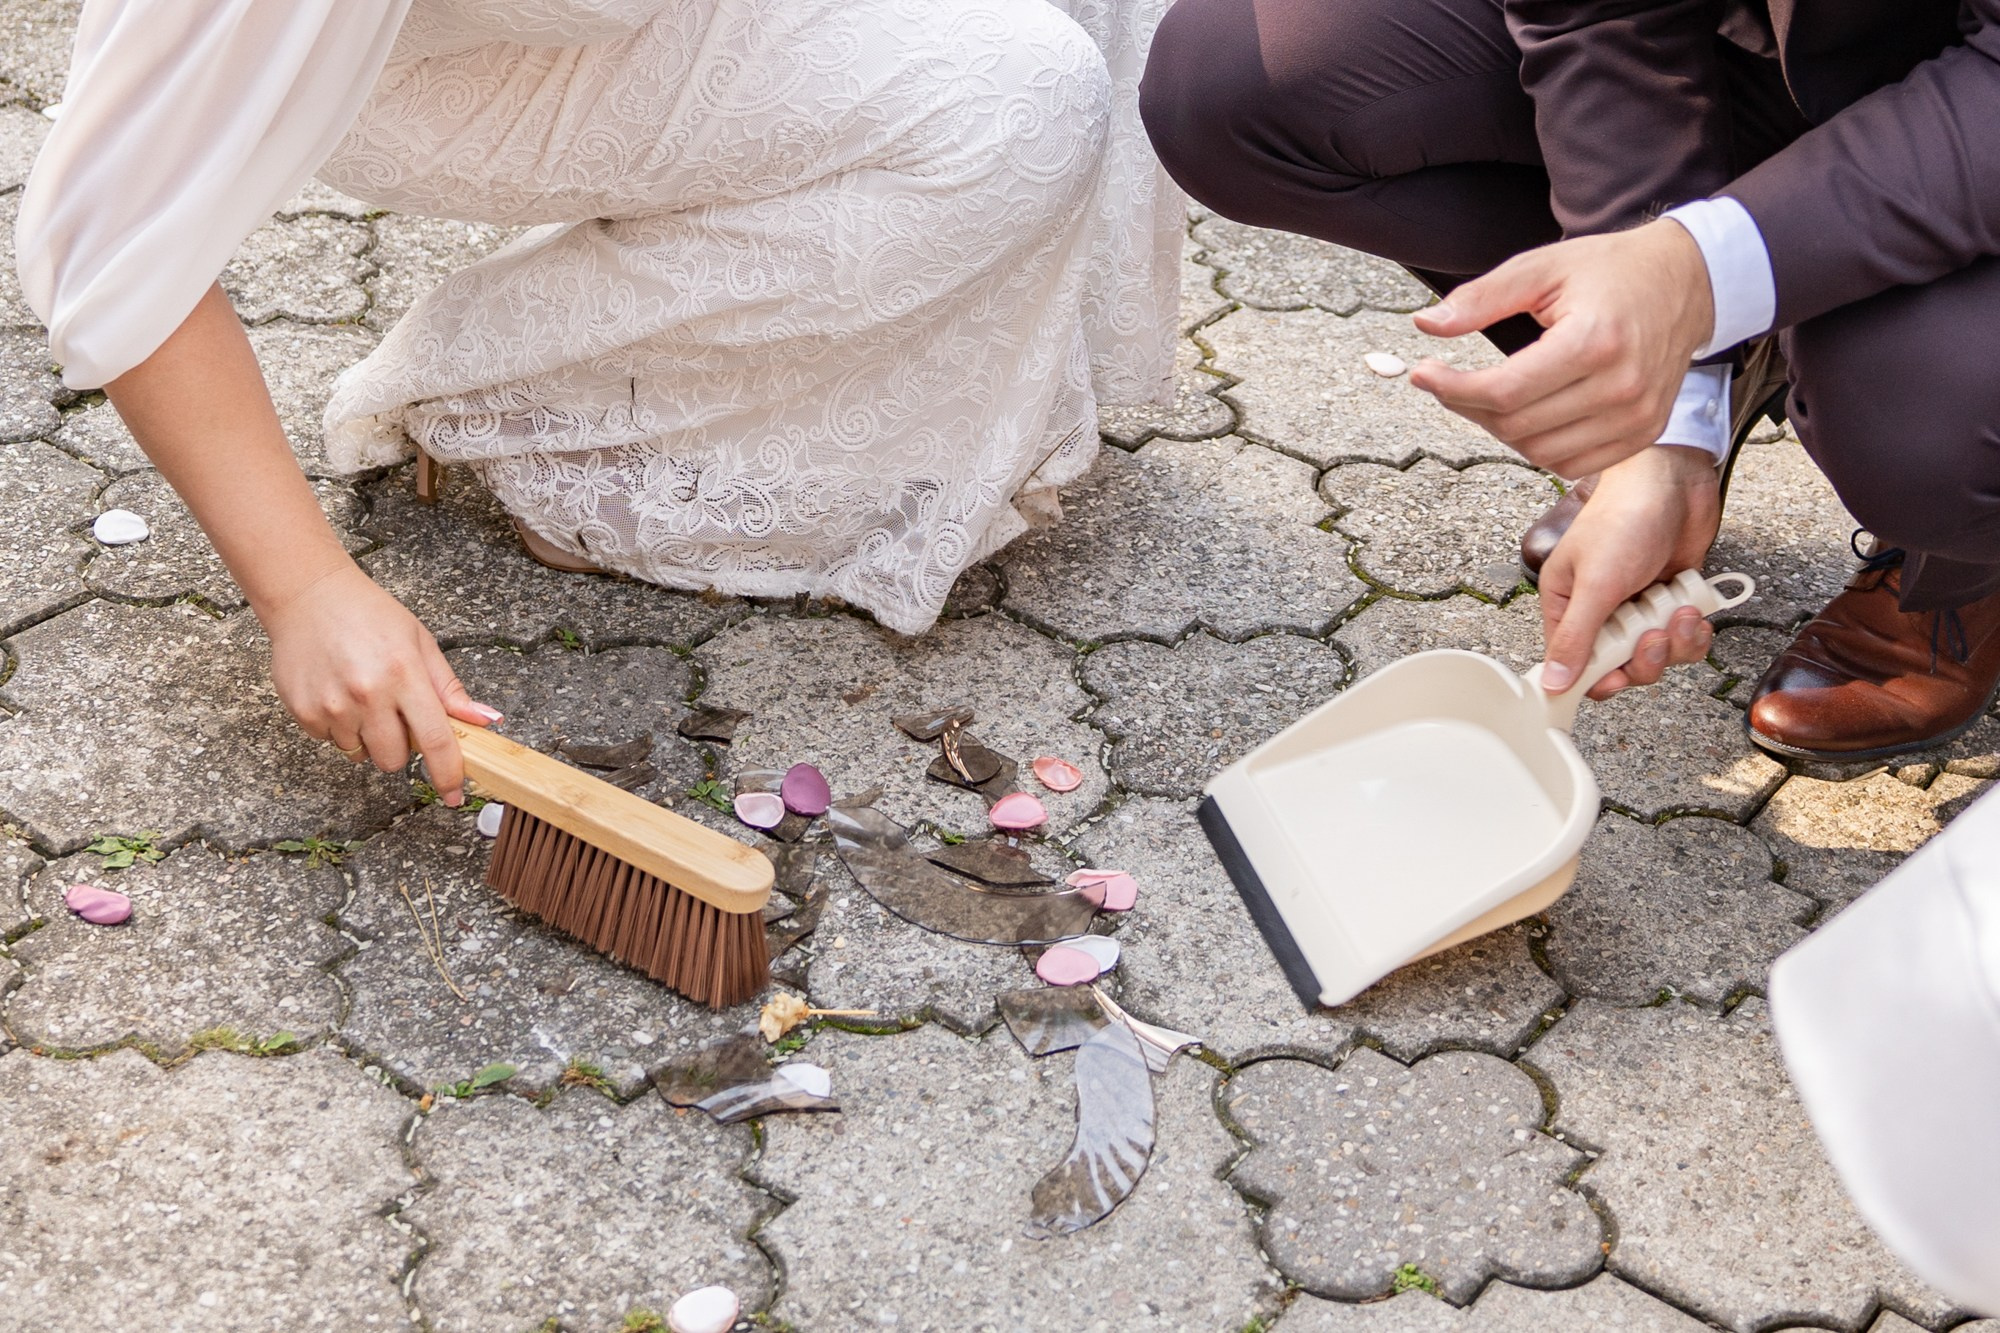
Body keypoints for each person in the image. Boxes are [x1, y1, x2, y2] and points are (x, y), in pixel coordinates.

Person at [14, 0, 1181, 804]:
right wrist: (307, 589)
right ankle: (525, 405)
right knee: (1019, 101)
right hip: (438, 66)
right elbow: (107, 233)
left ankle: (966, 314)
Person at [1137, 0, 2000, 762]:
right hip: (1750, 52)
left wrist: (1693, 273)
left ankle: (1960, 566)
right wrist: (1665, 420)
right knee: (1233, 88)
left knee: (1927, 440)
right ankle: (1724, 365)